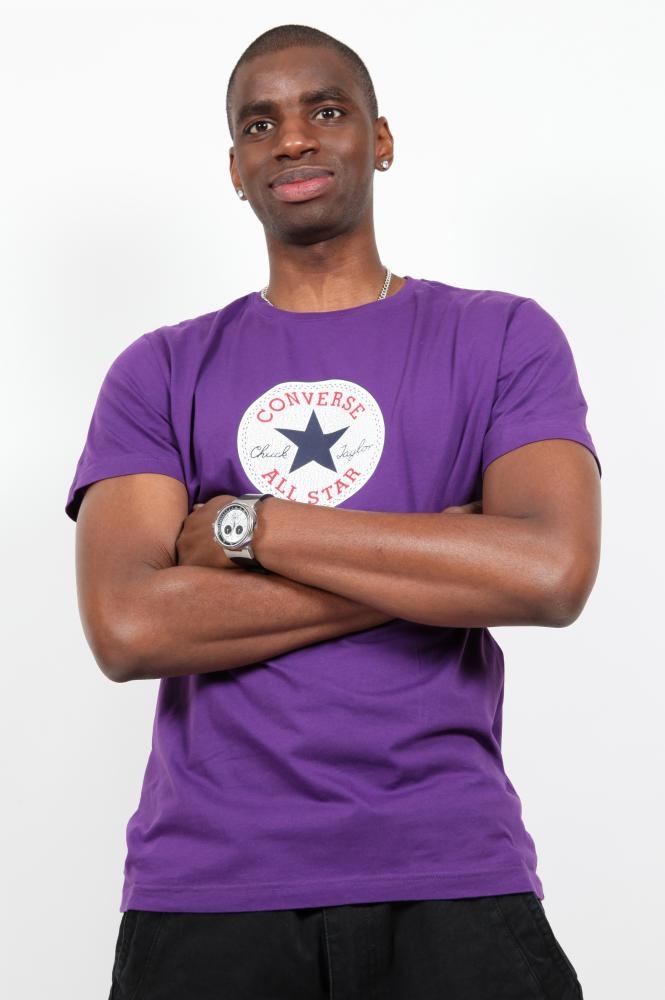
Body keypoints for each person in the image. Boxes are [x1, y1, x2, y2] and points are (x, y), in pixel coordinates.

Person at [66, 23, 601, 1000]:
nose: (293, 139)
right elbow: (130, 625)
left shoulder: (502, 337)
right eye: (259, 124)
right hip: (210, 885)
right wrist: (446, 556)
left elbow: (547, 573)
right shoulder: (160, 368)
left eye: (324, 110)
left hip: (450, 866)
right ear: (234, 169)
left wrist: (255, 528)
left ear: (379, 139)